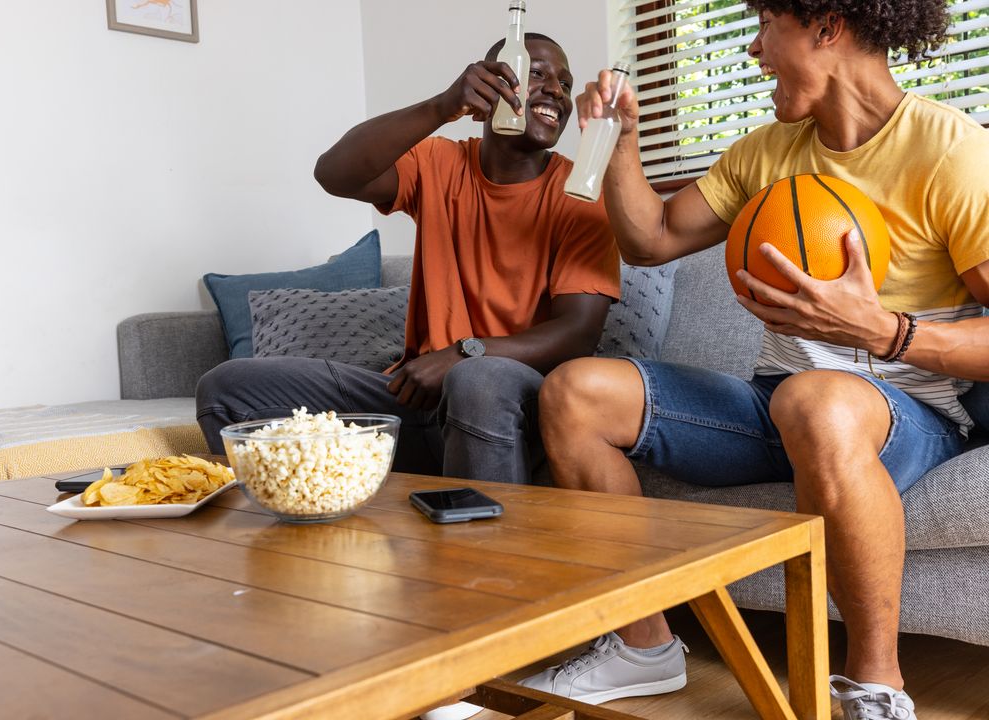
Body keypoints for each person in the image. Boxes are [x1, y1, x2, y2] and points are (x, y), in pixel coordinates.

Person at [524, 2, 989, 719]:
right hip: (778, 406)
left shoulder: (950, 151)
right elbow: (648, 240)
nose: (752, 49)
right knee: (573, 392)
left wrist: (883, 329)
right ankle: (645, 646)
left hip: (904, 414)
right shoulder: (767, 150)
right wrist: (619, 142)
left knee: (818, 401)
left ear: (826, 25)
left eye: (766, 24)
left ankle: (876, 686)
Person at [196, 33, 620, 490]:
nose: (557, 90)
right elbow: (334, 173)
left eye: (564, 81)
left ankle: (484, 551)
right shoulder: (440, 163)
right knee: (227, 389)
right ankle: (319, 518)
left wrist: (462, 355)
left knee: (477, 381)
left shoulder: (581, 196)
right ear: (495, 81)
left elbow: (578, 334)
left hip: (510, 409)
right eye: (538, 74)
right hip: (415, 401)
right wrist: (442, 106)